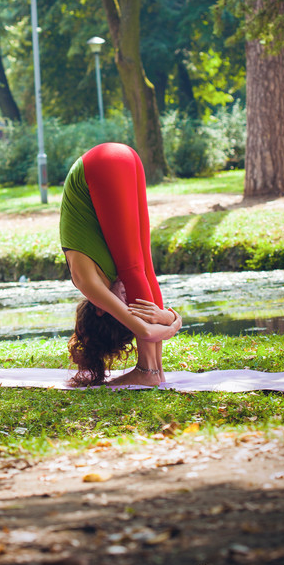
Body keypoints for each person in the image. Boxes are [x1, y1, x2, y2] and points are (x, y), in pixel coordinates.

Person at [60, 142, 181, 386]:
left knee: (133, 271)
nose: (128, 297)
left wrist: (173, 323)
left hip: (98, 166)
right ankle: (156, 370)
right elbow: (147, 281)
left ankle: (148, 371)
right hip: (127, 158)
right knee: (144, 268)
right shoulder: (109, 279)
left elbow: (146, 331)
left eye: (122, 303)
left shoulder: (88, 283)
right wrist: (167, 317)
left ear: (101, 309)